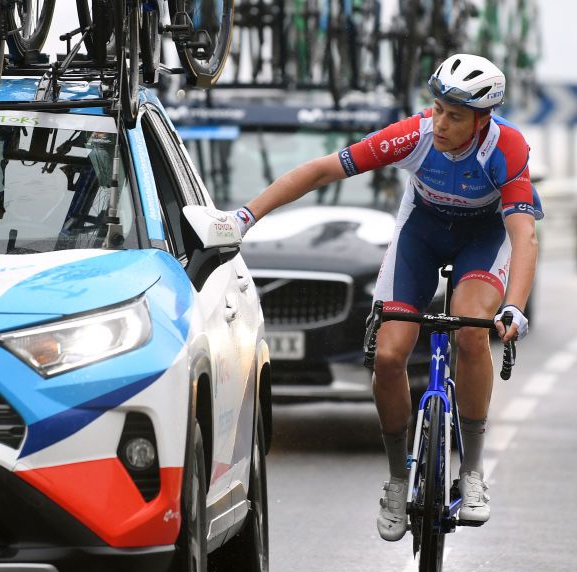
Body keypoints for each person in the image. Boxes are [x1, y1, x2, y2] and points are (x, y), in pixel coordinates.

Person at [227, 54, 542, 541]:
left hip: (482, 238)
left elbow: (523, 237)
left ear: (483, 119)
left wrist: (515, 307)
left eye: (455, 116)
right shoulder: (414, 135)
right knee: (391, 356)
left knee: (472, 330)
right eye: (436, 108)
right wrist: (245, 217)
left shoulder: (507, 148)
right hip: (422, 233)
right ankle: (398, 479)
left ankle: (473, 472)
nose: (440, 122)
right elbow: (318, 172)